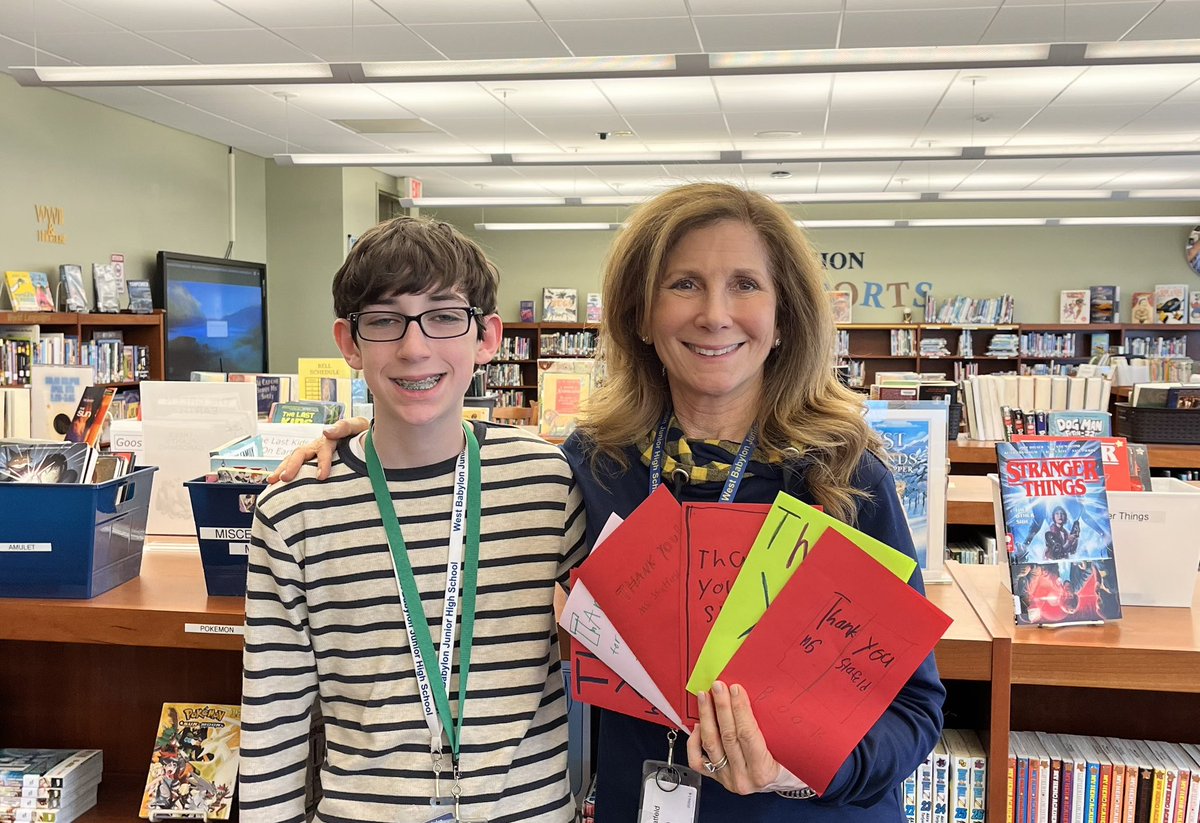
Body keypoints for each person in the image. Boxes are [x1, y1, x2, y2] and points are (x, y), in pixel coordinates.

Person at [275, 183, 945, 821]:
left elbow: (915, 709)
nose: (714, 313)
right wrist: (386, 431)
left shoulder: (843, 476)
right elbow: (475, 469)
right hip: (640, 804)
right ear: (642, 316)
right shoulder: (599, 465)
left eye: (745, 284)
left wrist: (791, 771)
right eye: (683, 284)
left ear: (783, 316)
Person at [241, 216, 588, 823]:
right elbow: (273, 724)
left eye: (445, 316)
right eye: (383, 320)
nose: (414, 347)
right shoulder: (293, 509)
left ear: (488, 338)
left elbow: (644, 634)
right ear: (348, 343)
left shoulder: (547, 482)